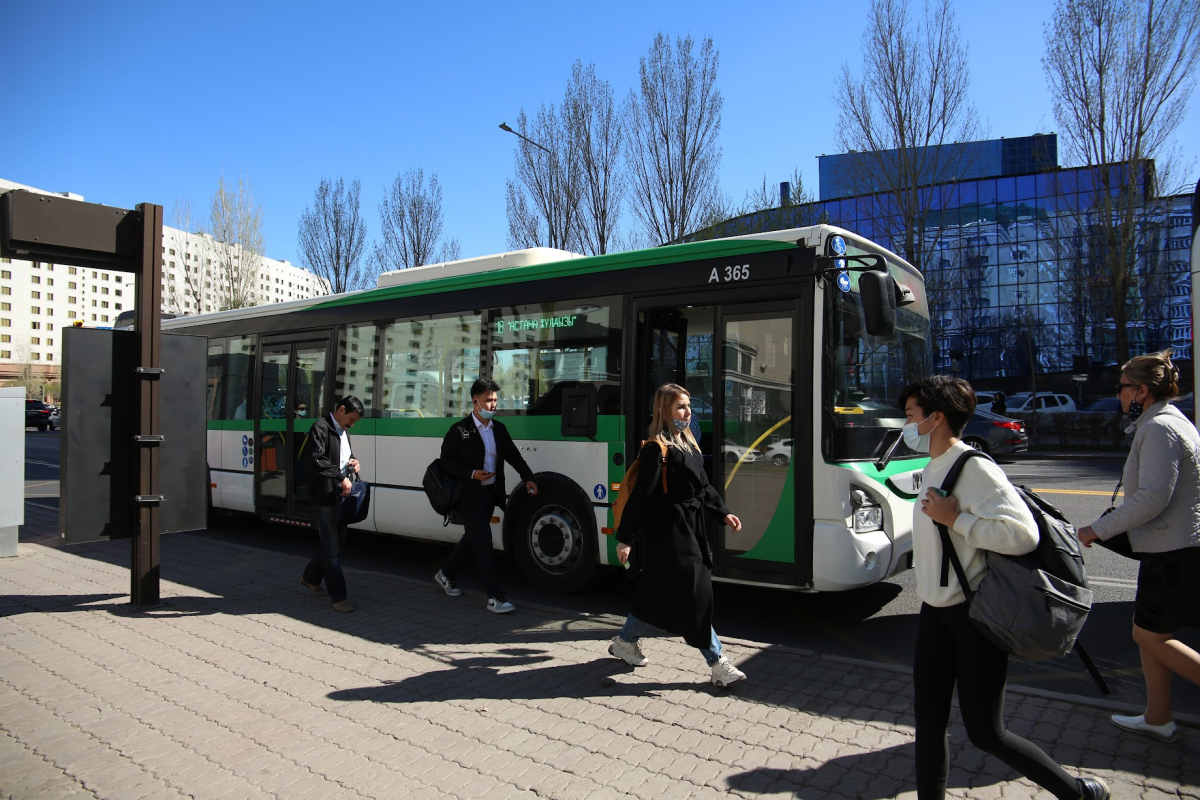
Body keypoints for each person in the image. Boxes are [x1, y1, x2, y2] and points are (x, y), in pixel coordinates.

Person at [901, 376, 1109, 800]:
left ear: (936, 418)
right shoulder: (931, 466)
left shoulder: (973, 467)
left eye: (910, 415)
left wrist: (956, 520)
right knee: (928, 722)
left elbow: (1022, 536)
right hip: (934, 613)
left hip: (974, 615)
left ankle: (1076, 792)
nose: (905, 424)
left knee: (985, 733)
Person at [1077, 350, 1200, 742]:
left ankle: (1158, 716)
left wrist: (1097, 529)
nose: (1120, 396)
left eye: (1123, 388)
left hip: (1173, 551)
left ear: (1142, 391)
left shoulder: (1160, 428)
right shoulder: (1165, 422)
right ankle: (1158, 716)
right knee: (1148, 631)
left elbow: (1152, 498)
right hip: (1169, 546)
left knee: (1149, 636)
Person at [610, 383, 748, 688]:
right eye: (681, 407)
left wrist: (722, 512)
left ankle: (625, 642)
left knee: (655, 593)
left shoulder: (688, 444)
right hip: (668, 534)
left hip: (691, 529)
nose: (688, 412)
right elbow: (640, 497)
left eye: (688, 406)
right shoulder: (655, 449)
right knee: (693, 594)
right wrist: (626, 538)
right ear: (664, 411)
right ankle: (718, 662)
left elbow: (703, 487)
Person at [434, 378, 538, 614]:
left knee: (472, 538)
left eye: (494, 400)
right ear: (475, 401)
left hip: (490, 494)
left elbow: (513, 456)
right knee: (483, 543)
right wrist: (472, 474)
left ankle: (445, 574)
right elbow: (446, 462)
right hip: (468, 496)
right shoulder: (460, 430)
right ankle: (495, 597)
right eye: (488, 400)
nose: (493, 405)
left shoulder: (498, 429)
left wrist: (529, 478)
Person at [300, 395, 364, 613]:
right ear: (341, 409)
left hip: (340, 496)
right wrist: (340, 477)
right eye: (351, 419)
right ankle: (339, 598)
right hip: (324, 495)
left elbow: (343, 456)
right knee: (331, 549)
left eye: (355, 421)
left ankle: (310, 578)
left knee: (337, 545)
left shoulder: (342, 430)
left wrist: (353, 462)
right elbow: (318, 459)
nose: (352, 424)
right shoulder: (320, 427)